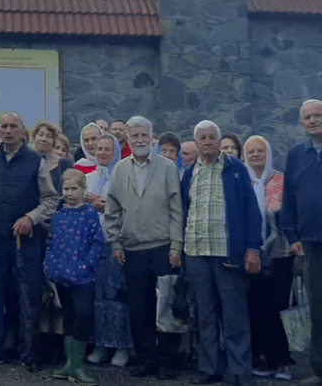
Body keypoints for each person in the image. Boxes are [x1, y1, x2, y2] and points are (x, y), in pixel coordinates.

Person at [0, 112, 59, 369]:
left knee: (28, 293)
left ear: (23, 131)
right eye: (4, 127)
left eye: (13, 127)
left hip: (25, 240)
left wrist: (31, 218)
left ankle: (28, 347)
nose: (8, 131)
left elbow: (50, 200)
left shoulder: (35, 161)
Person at [181, 120, 262, 386]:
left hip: (228, 254)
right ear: (196, 142)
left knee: (234, 315)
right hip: (196, 253)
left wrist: (252, 248)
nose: (206, 142)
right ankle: (210, 368)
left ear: (218, 140)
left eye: (210, 137)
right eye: (201, 138)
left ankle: (240, 371)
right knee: (205, 315)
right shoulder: (190, 173)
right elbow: (184, 212)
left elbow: (252, 212)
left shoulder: (235, 169)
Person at [104, 116, 184, 380]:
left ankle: (168, 361)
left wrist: (176, 245)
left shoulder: (167, 167)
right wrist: (114, 241)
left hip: (163, 246)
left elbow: (176, 208)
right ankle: (147, 358)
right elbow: (112, 209)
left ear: (152, 138)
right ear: (127, 139)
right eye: (134, 135)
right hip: (132, 249)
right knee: (140, 308)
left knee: (167, 306)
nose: (139, 140)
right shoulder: (119, 169)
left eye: (144, 135)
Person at [45, 169, 104, 385]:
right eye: (66, 189)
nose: (69, 193)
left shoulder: (89, 214)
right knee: (68, 315)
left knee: (84, 314)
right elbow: (51, 242)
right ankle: (70, 363)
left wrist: (86, 265)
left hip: (83, 275)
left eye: (73, 189)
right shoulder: (59, 215)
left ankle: (79, 365)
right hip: (62, 274)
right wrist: (51, 265)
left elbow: (97, 242)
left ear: (83, 189)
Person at [243, 135, 293, 381]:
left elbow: (290, 212)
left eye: (260, 150)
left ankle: (282, 360)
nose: (255, 155)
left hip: (280, 255)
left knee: (279, 308)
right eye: (250, 151)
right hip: (250, 256)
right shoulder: (242, 182)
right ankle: (263, 357)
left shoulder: (282, 180)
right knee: (257, 308)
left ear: (268, 152)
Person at [280, 99, 322, 386]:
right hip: (310, 243)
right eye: (308, 117)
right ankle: (320, 370)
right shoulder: (296, 155)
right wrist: (292, 236)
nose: (313, 120)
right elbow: (288, 199)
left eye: (318, 115)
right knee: (318, 308)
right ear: (301, 123)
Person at [84, 134, 133, 367]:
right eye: (99, 148)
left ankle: (122, 346)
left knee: (117, 296)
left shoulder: (123, 175)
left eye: (107, 149)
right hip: (94, 244)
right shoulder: (89, 178)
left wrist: (107, 205)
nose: (102, 152)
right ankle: (101, 344)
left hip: (115, 242)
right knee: (98, 297)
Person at [33, 123, 73, 194]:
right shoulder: (25, 162)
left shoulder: (64, 163)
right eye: (41, 134)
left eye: (49, 136)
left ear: (54, 140)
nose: (44, 139)